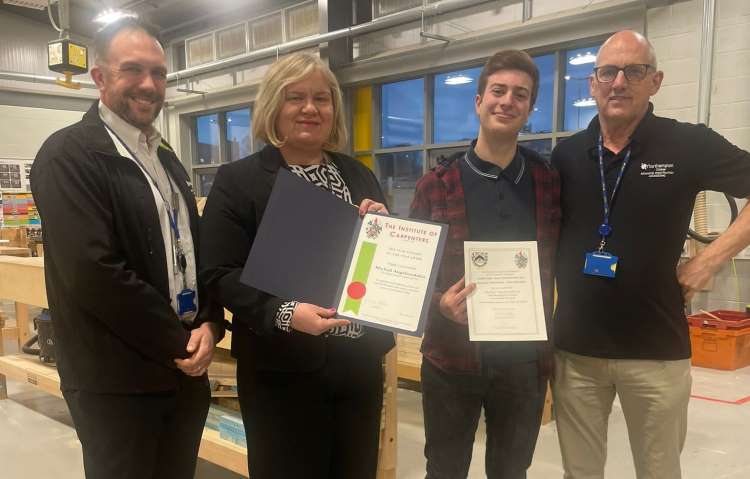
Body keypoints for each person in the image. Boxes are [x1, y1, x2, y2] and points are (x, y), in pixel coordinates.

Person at [551, 30, 750, 479]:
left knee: (658, 471)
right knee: (579, 472)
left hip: (657, 352)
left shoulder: (688, 144)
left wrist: (711, 258)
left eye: (634, 71)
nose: (619, 82)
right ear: (593, 83)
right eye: (608, 72)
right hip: (576, 354)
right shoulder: (565, 155)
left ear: (655, 81)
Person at [30, 17, 223, 479]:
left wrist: (211, 322)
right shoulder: (68, 156)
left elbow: (191, 251)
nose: (148, 84)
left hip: (181, 366)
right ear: (99, 77)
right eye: (132, 69)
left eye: (158, 73)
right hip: (115, 379)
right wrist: (176, 339)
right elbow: (93, 271)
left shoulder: (165, 158)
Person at [199, 52, 395, 479]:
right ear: (274, 106)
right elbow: (218, 273)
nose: (310, 108)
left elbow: (376, 262)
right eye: (295, 97)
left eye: (321, 99)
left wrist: (382, 229)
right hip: (281, 370)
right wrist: (286, 313)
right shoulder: (239, 181)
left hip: (358, 364)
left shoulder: (359, 175)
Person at [409, 50, 561, 479]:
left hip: (524, 364)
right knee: (444, 469)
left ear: (529, 109)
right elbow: (411, 279)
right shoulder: (435, 187)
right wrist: (440, 303)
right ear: (478, 101)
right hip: (451, 360)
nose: (507, 101)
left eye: (520, 94)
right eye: (498, 91)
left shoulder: (547, 183)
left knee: (512, 472)